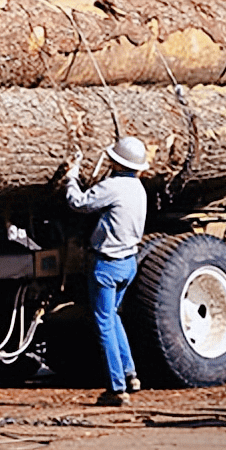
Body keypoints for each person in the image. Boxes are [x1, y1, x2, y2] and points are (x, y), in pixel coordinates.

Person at [64, 136, 149, 406]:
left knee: (104, 325)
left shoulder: (113, 186)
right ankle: (130, 373)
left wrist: (71, 176)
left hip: (107, 265)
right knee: (113, 317)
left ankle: (116, 388)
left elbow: (78, 203)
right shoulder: (138, 188)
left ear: (115, 161)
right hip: (128, 264)